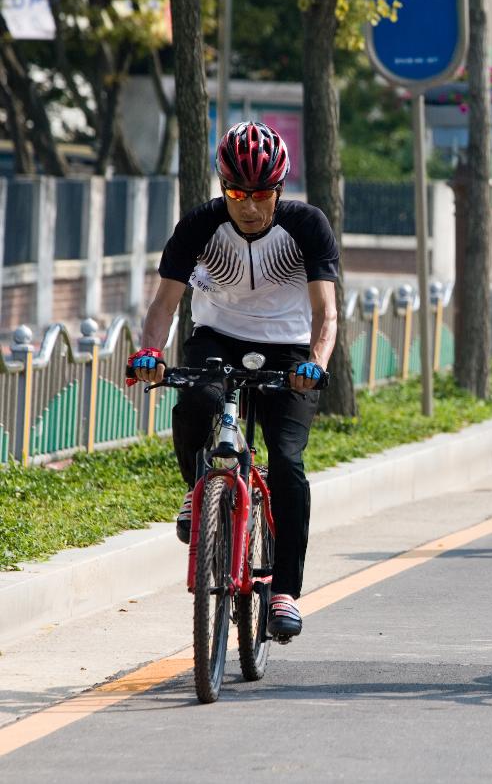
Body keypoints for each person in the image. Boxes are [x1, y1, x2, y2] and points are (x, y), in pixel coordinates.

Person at [128, 121, 339, 640]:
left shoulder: (306, 226)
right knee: (196, 402)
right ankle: (199, 488)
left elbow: (326, 312)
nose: (248, 206)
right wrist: (151, 351)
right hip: (217, 336)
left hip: (290, 347)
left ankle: (285, 590)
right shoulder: (199, 225)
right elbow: (164, 305)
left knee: (287, 461)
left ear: (280, 189)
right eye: (237, 193)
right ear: (224, 187)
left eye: (261, 194)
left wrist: (315, 361)